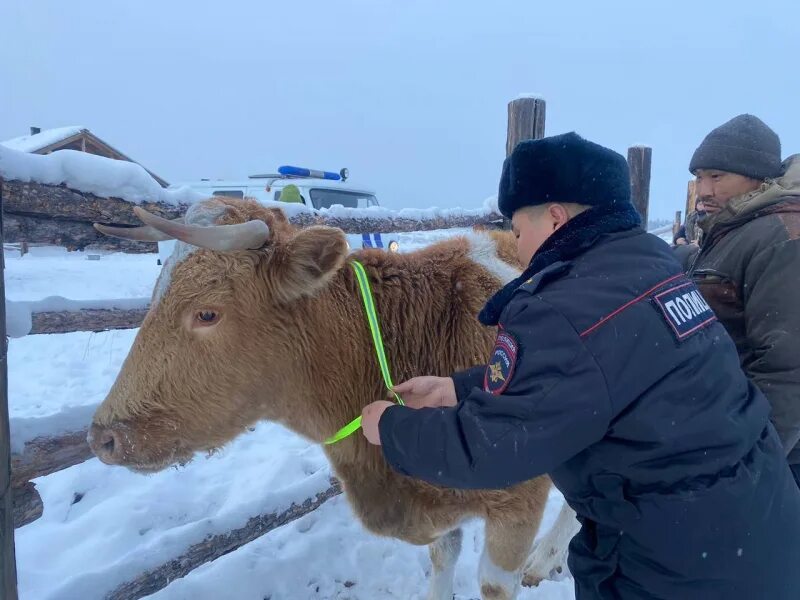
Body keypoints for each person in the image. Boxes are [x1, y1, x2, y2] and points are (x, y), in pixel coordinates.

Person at [360, 132, 800, 599]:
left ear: (554, 219)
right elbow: (589, 369)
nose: (516, 244)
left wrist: (391, 430)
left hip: (667, 564)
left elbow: (493, 448)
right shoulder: (651, 263)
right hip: (753, 527)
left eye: (516, 230)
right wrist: (459, 388)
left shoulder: (564, 306)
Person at [686, 114, 800, 485]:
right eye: (700, 177)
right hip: (724, 429)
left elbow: (787, 365)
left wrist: (753, 464)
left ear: (757, 176)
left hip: (768, 450)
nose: (703, 190)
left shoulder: (781, 239)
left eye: (717, 177)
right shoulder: (735, 229)